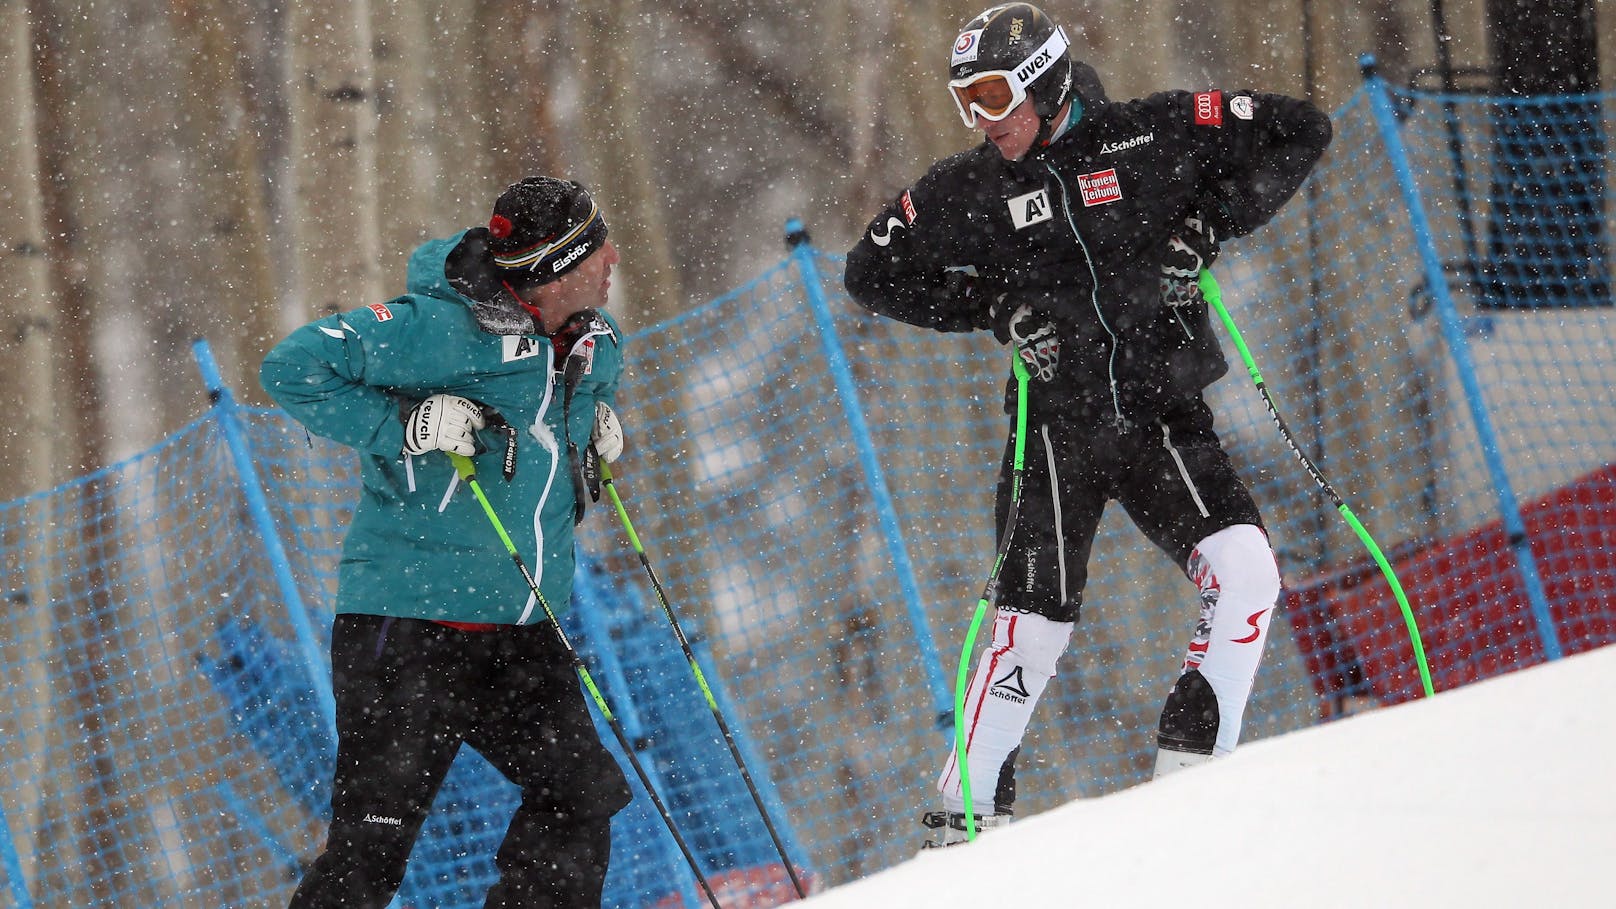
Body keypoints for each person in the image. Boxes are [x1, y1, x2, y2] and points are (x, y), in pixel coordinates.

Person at [842, 3, 1332, 847]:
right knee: (1029, 633)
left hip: (1161, 416)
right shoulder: (970, 187)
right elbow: (870, 271)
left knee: (1247, 573)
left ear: (1046, 75)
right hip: (1054, 432)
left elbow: (1301, 129)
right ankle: (960, 828)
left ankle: (1189, 784)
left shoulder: (1152, 133)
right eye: (967, 100)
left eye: (995, 93)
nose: (983, 119)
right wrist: (993, 308)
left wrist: (1208, 226)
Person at [260, 175, 634, 906]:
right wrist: (403, 425)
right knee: (372, 849)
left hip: (522, 628)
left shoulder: (593, 339)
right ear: (557, 269)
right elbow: (292, 368)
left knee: (580, 798)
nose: (614, 256)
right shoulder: (432, 328)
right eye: (595, 248)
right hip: (406, 630)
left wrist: (593, 426)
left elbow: (569, 406)